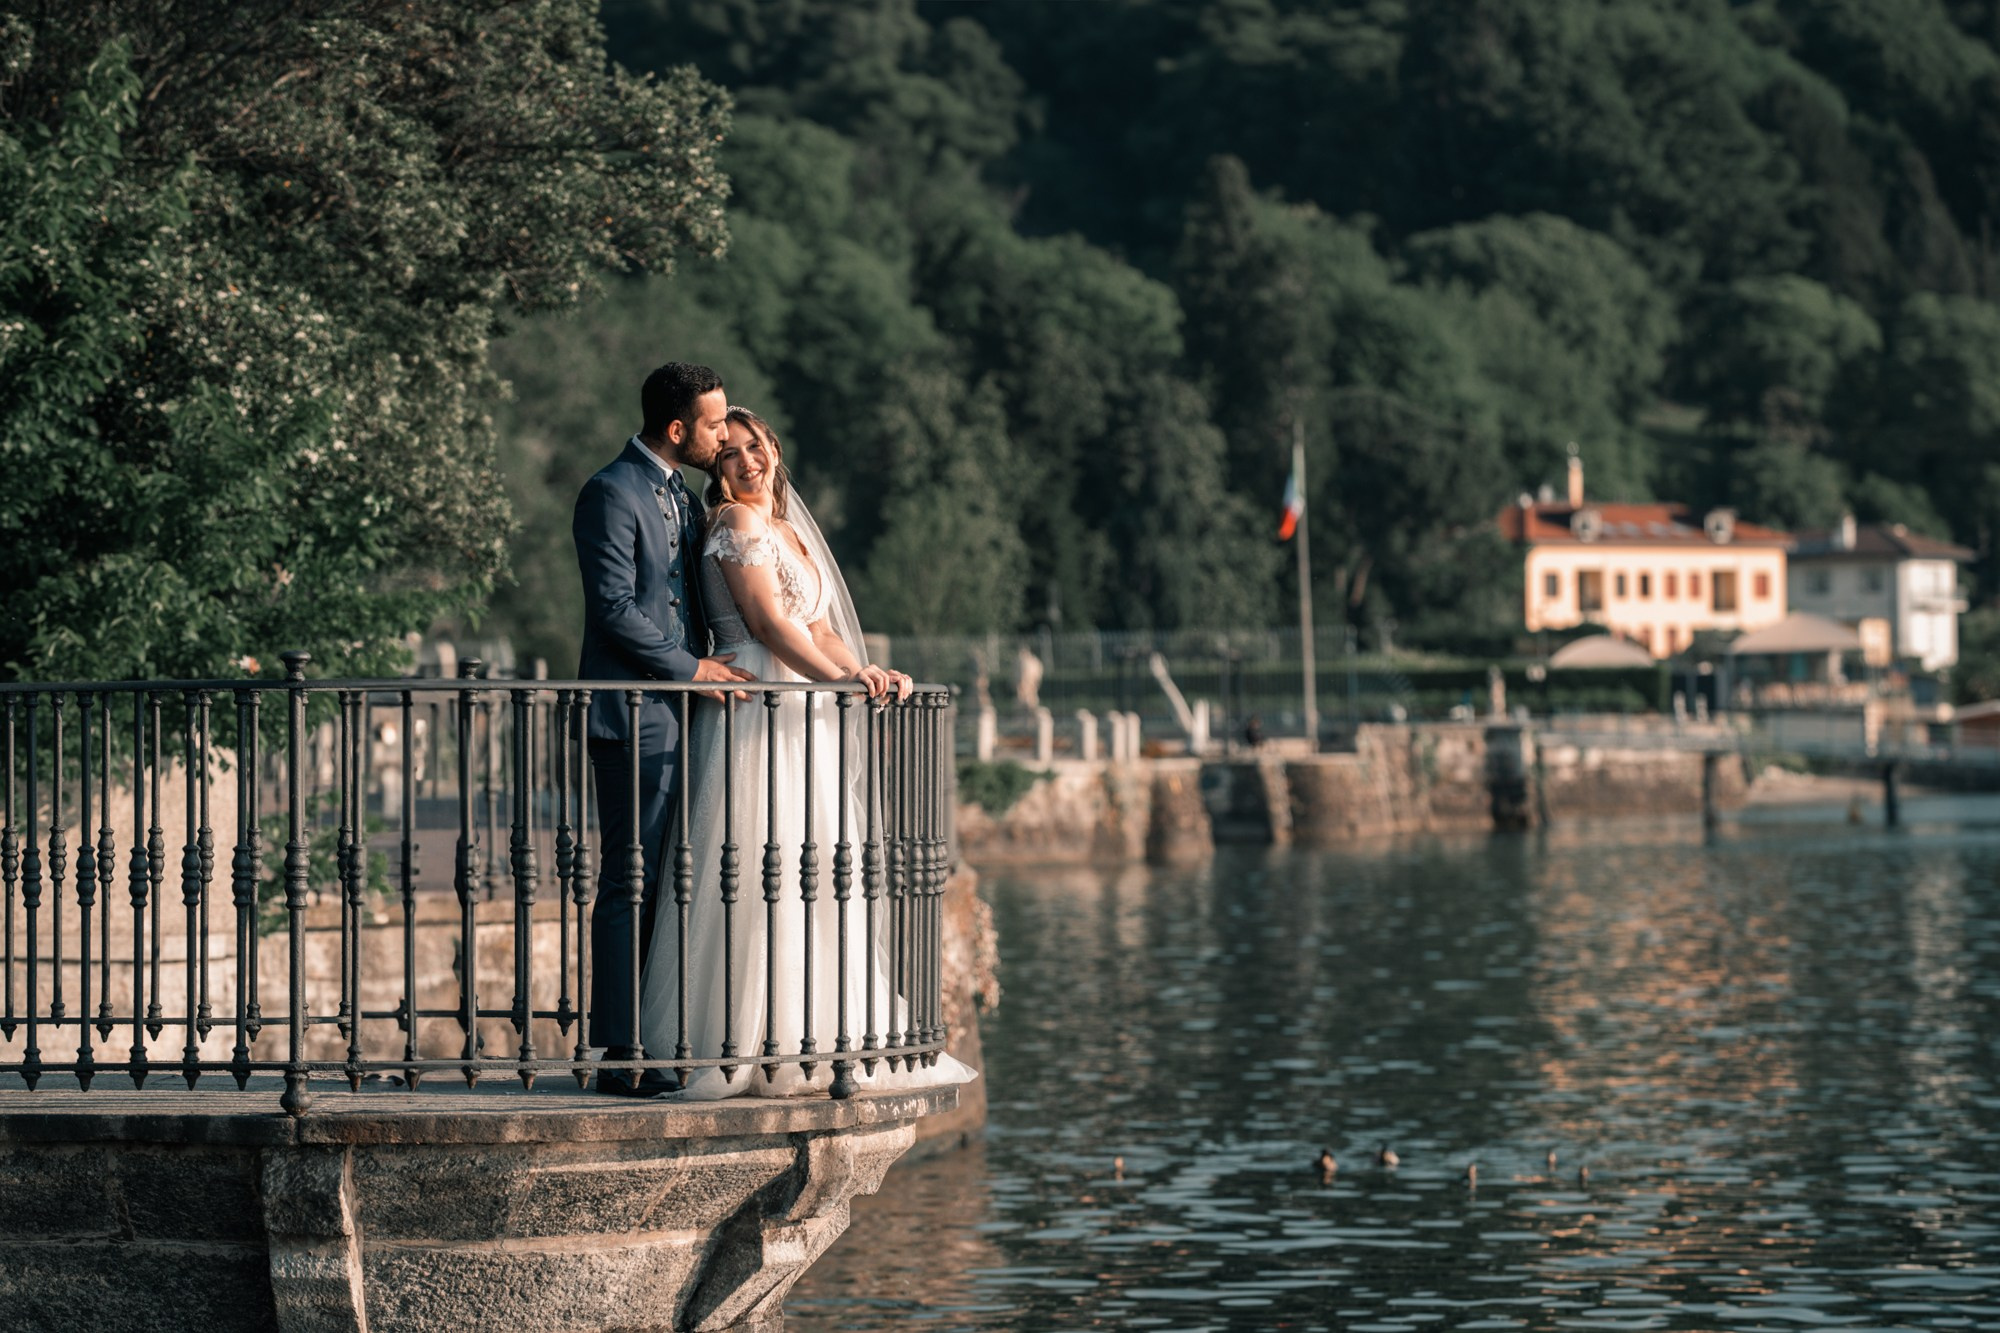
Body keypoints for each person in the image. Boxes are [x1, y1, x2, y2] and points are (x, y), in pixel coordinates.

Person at [640, 406, 976, 1099]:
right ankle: (746, 1042)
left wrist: (869, 673)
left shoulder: (788, 530)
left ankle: (820, 1034)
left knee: (813, 864)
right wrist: (844, 680)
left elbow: (818, 627)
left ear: (774, 446)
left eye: (753, 447)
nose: (745, 462)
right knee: (760, 863)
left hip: (803, 711)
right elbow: (765, 623)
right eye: (728, 454)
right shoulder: (735, 525)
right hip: (759, 708)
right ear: (718, 470)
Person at [573, 362, 755, 1096]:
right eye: (714, 424)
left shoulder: (680, 493)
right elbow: (615, 607)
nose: (723, 432)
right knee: (629, 877)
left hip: (682, 718)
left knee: (673, 882)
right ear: (678, 428)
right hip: (632, 715)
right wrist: (694, 669)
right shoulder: (610, 491)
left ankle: (660, 1036)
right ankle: (620, 1054)